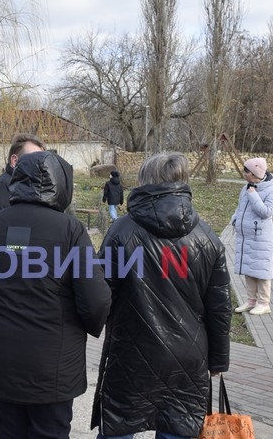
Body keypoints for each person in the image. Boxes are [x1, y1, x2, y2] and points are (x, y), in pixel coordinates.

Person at [0, 151, 111, 438]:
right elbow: (96, 300)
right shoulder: (70, 230)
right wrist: (79, 323)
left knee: (5, 431)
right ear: (62, 185)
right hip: (53, 364)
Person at [91, 152, 232, 439]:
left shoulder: (122, 231)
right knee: (178, 429)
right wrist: (218, 360)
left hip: (132, 351)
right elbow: (220, 307)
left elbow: (100, 292)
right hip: (188, 356)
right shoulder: (207, 238)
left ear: (144, 181)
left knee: (119, 427)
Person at [231, 157, 273, 315]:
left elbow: (266, 212)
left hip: (260, 237)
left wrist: (253, 195)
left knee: (262, 270)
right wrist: (235, 219)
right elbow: (240, 208)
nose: (244, 174)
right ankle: (251, 300)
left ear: (255, 172)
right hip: (246, 236)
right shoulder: (246, 188)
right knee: (249, 268)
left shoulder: (271, 190)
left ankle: (264, 303)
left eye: (247, 171)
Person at [0, 133, 46, 220]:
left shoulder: (27, 188)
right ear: (14, 161)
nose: (40, 165)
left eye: (42, 160)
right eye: (34, 159)